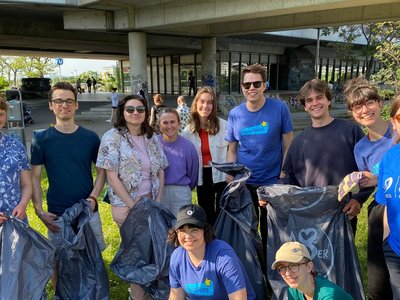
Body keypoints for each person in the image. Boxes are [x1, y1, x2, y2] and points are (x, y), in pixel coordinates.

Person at [30, 82, 106, 285]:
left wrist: (93, 197)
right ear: (51, 105)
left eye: (69, 101)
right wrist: (39, 210)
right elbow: (35, 178)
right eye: (59, 101)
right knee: (58, 260)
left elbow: (101, 173)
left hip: (87, 210)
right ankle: (60, 294)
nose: (64, 105)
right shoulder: (41, 140)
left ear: (76, 105)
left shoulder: (90, 138)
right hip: (57, 213)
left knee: (92, 258)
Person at [96, 94, 168, 300]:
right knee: (138, 254)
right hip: (127, 207)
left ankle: (147, 292)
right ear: (122, 112)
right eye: (130, 109)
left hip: (151, 203)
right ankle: (137, 296)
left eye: (140, 109)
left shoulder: (151, 136)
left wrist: (159, 198)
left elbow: (161, 169)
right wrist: (133, 206)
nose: (135, 113)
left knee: (152, 250)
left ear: (146, 112)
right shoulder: (112, 137)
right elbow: (111, 175)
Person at [278, 79, 373, 233]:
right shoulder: (298, 142)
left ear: (329, 100)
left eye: (319, 97)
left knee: (343, 256)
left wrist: (358, 199)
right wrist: (272, 195)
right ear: (304, 107)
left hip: (343, 211)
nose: (315, 103)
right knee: (313, 257)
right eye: (309, 100)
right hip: (310, 213)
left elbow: (367, 169)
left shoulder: (350, 131)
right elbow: (289, 178)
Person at [226, 64, 293, 249]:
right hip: (245, 183)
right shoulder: (235, 114)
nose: (251, 88)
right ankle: (253, 269)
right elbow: (232, 148)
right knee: (248, 232)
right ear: (242, 87)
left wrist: (282, 175)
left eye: (256, 83)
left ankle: (271, 271)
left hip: (272, 182)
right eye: (247, 85)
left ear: (265, 85)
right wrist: (231, 174)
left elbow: (288, 145)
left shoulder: (280, 109)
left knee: (272, 232)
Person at [344, 77, 393, 300]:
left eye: (370, 102)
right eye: (357, 106)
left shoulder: (397, 132)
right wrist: (357, 199)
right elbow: (367, 184)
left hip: (398, 210)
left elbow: (377, 178)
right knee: (378, 281)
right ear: (352, 112)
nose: (365, 110)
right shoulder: (361, 147)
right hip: (379, 211)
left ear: (380, 104)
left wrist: (378, 178)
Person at [167, 204, 256, 300]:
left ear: (205, 231)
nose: (188, 236)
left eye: (194, 230)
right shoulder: (177, 257)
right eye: (183, 230)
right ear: (176, 232)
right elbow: (176, 297)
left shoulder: (223, 256)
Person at [182, 86, 228, 225]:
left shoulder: (224, 126)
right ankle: (209, 241)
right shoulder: (188, 131)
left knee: (223, 213)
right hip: (202, 176)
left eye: (209, 102)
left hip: (222, 175)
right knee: (206, 214)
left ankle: (223, 242)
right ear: (196, 103)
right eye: (202, 101)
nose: (205, 106)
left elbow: (233, 150)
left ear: (213, 106)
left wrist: (232, 172)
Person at [376, 94, 400, 299]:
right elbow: (385, 203)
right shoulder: (389, 157)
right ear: (393, 121)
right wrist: (386, 240)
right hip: (395, 249)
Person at [272, 242, 353, 300]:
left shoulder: (329, 296)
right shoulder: (293, 290)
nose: (287, 273)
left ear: (309, 267)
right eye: (282, 267)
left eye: (293, 265)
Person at [158, 108, 198, 216]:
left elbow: (193, 173)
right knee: (161, 225)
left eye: (172, 122)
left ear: (179, 123)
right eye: (165, 123)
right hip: (159, 191)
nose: (169, 126)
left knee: (181, 226)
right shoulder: (153, 144)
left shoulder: (188, 147)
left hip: (181, 192)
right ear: (159, 125)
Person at [0, 95, 32, 224]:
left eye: (1, 114)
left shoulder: (16, 147)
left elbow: (27, 185)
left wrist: (23, 205)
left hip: (15, 220)